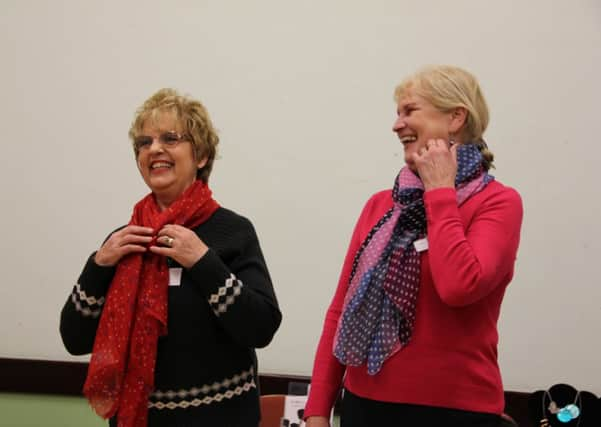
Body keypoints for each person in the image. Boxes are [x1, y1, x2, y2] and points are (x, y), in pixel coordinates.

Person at [304, 65, 523, 427]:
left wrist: (440, 192)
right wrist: (316, 410)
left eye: (410, 111)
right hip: (364, 406)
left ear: (456, 117)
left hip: (456, 411)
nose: (397, 124)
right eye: (397, 113)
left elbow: (459, 286)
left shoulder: (498, 203)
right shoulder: (381, 205)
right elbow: (340, 311)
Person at [60, 88, 282, 427]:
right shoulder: (125, 240)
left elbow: (261, 327)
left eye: (170, 138)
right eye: (144, 143)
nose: (155, 149)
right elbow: (74, 340)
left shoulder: (232, 232)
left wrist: (203, 262)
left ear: (202, 156)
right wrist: (98, 266)